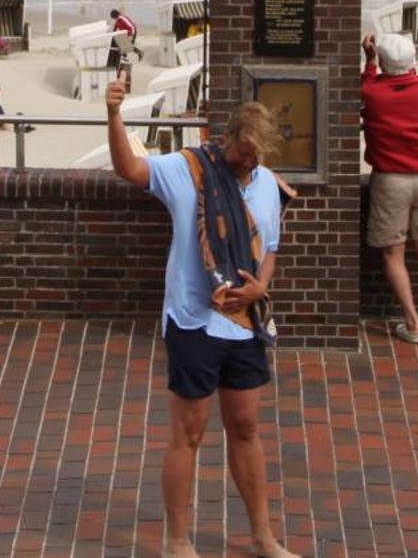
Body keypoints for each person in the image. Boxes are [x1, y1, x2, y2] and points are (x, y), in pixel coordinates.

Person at [104, 79, 297, 558]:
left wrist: (261, 287)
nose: (249, 163)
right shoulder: (189, 169)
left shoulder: (268, 185)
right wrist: (113, 115)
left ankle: (262, 536)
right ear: (227, 138)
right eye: (244, 153)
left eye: (257, 157)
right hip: (194, 320)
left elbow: (269, 248)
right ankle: (177, 540)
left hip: (244, 322)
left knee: (247, 426)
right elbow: (129, 168)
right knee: (189, 432)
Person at [361, 32, 418, 344]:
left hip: (391, 179)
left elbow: (367, 82)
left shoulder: (372, 92)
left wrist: (369, 61)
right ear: (413, 61)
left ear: (383, 62)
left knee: (393, 251)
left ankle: (411, 321)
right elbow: (408, 77)